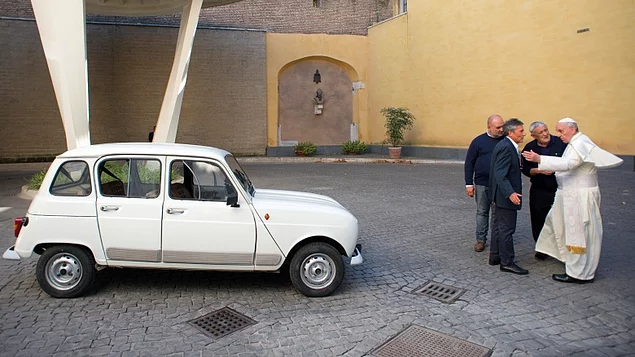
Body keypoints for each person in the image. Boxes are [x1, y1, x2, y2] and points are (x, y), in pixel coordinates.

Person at [522, 118, 623, 283]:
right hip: (570, 195)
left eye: (561, 131)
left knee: (579, 234)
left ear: (572, 129)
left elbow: (569, 163)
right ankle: (572, 263)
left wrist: (540, 159)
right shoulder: (575, 142)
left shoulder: (579, 143)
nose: (558, 135)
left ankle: (578, 273)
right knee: (557, 224)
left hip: (578, 197)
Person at [520, 121, 567, 260]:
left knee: (561, 218)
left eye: (546, 130)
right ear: (534, 135)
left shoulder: (561, 143)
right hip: (539, 189)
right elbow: (525, 169)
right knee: (538, 219)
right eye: (541, 132)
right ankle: (541, 248)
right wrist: (538, 171)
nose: (545, 134)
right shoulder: (529, 148)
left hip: (559, 188)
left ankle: (561, 248)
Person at [489, 118, 528, 275]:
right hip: (505, 196)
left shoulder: (506, 145)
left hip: (500, 195)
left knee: (499, 226)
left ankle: (495, 256)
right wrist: (510, 193)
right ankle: (507, 262)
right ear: (511, 132)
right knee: (507, 229)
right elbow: (500, 174)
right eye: (521, 131)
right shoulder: (506, 147)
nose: (524, 134)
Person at [464, 114, 505, 252]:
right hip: (482, 183)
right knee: (482, 212)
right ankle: (481, 240)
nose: (501, 129)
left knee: (497, 213)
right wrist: (468, 184)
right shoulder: (478, 141)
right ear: (489, 127)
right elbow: (469, 163)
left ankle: (497, 240)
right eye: (498, 127)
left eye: (502, 126)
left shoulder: (505, 141)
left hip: (499, 184)